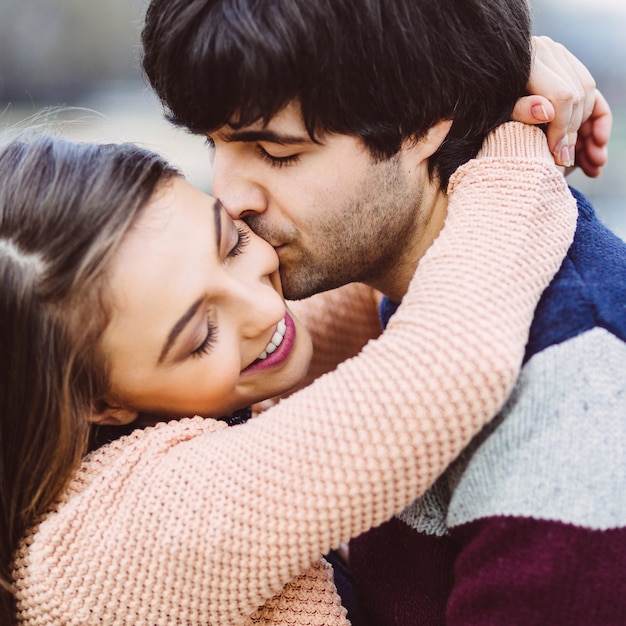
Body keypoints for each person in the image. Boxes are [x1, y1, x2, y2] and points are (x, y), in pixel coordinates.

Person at [141, 0, 626, 623]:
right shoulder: (403, 302)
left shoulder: (579, 384)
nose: (229, 197)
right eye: (214, 143)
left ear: (424, 120)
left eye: (278, 153)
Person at [1, 120, 575, 626]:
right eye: (202, 336)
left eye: (230, 246)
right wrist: (516, 146)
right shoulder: (118, 543)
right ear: (98, 404)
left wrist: (472, 84)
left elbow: (363, 288)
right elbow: (441, 369)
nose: (267, 309)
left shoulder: (187, 397)